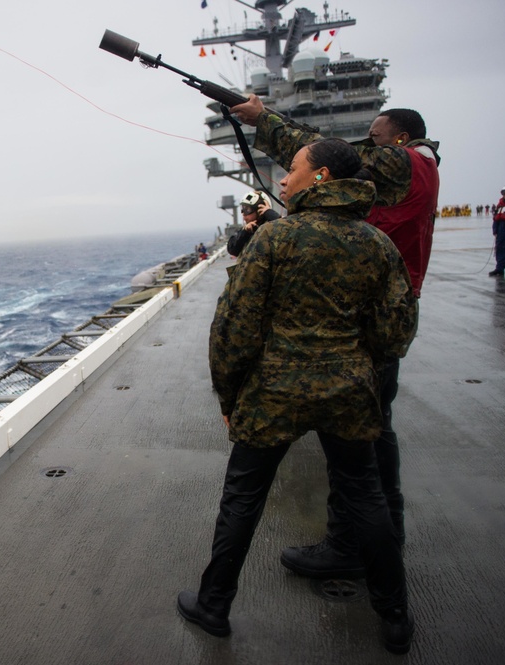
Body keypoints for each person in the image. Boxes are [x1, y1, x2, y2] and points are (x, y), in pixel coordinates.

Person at [177, 138, 418, 654]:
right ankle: (394, 616)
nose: (283, 180)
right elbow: (394, 335)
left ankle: (214, 605)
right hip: (349, 392)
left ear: (321, 176)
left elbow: (234, 328)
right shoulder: (377, 244)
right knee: (367, 498)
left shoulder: (274, 240)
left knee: (242, 498)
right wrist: (355, 362)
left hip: (274, 392)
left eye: (292, 169)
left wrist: (228, 396)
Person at [230, 96, 439, 576]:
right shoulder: (421, 173)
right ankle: (382, 555)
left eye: (378, 137)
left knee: (359, 466)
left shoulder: (407, 165)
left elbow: (331, 155)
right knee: (370, 457)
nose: (371, 143)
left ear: (402, 141)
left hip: (360, 333)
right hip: (381, 324)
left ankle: (352, 551)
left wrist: (264, 120)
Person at [226, 191, 281, 257]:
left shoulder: (272, 227)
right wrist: (244, 233)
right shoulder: (248, 231)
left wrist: (269, 213)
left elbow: (284, 228)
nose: (244, 214)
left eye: (247, 210)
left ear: (260, 210)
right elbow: (232, 249)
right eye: (243, 209)